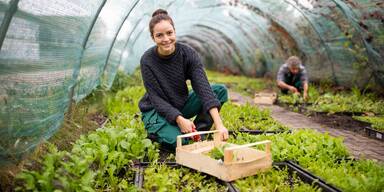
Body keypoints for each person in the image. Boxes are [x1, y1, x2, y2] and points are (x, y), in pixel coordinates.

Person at [138, 9, 229, 151]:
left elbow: (203, 88)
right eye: (159, 35)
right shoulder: (147, 60)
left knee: (219, 91)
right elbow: (156, 99)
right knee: (182, 143)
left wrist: (219, 125)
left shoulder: (187, 54)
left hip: (179, 103)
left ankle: (199, 133)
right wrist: (179, 119)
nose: (166, 39)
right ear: (153, 38)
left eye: (169, 33)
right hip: (155, 110)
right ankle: (159, 130)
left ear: (174, 31)